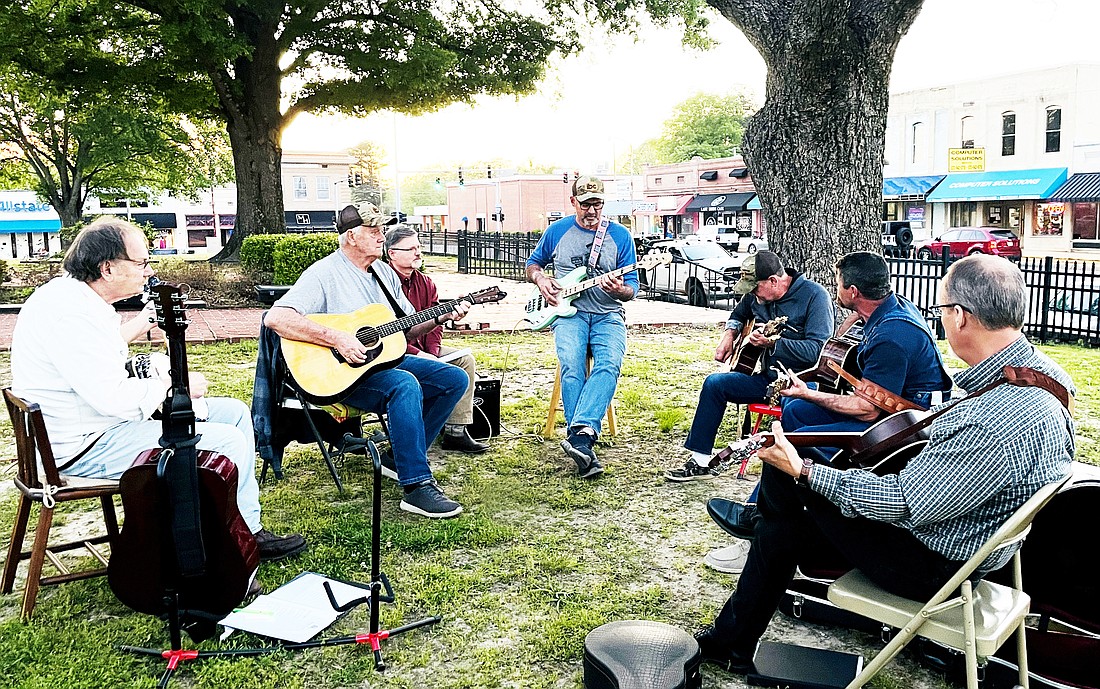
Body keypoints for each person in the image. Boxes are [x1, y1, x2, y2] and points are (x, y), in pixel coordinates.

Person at [694, 254, 1075, 674]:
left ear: (962, 317)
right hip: (974, 543)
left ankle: (733, 622)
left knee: (788, 494)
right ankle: (735, 624)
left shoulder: (998, 417)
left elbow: (902, 502)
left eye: (943, 310)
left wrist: (805, 471)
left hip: (933, 563)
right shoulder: (1044, 376)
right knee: (783, 521)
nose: (942, 321)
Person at [10, 217, 306, 563]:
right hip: (84, 444)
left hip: (89, 426)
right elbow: (112, 399)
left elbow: (101, 352)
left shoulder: (77, 298)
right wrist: (173, 385)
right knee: (227, 441)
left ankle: (245, 529)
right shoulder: (70, 315)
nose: (148, 271)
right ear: (107, 268)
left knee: (234, 413)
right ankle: (226, 548)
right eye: (141, 262)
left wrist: (148, 323)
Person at [702, 251, 954, 574]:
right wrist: (847, 329)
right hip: (886, 411)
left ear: (853, 292)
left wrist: (810, 391)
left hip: (902, 429)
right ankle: (767, 510)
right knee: (794, 409)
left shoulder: (892, 336)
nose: (835, 288)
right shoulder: (887, 309)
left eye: (839, 284)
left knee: (793, 439)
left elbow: (866, 411)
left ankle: (759, 523)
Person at [264, 202, 471, 519]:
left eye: (382, 229)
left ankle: (396, 459)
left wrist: (441, 316)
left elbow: (408, 326)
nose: (381, 236)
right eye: (373, 231)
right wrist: (338, 338)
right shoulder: (324, 273)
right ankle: (416, 486)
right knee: (404, 384)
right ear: (350, 236)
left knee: (453, 379)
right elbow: (276, 318)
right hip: (335, 374)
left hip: (377, 365)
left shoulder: (384, 273)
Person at [664, 251, 834, 482]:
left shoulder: (815, 296)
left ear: (774, 281)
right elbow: (738, 313)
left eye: (755, 288)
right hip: (767, 380)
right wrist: (729, 334)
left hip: (801, 383)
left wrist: (772, 344)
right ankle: (701, 460)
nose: (752, 294)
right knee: (715, 384)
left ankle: (800, 471)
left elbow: (816, 350)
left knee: (796, 408)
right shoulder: (758, 297)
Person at [525, 175, 639, 478]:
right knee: (572, 364)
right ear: (573, 201)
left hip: (608, 314)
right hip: (568, 314)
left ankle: (580, 436)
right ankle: (584, 438)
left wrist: (619, 291)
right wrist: (542, 279)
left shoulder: (620, 236)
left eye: (597, 204)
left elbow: (632, 288)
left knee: (609, 363)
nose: (592, 210)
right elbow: (533, 264)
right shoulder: (557, 231)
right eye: (586, 204)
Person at [384, 224, 489, 454]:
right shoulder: (382, 284)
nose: (418, 252)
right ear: (392, 253)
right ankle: (414, 436)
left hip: (424, 348)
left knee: (465, 360)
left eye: (419, 246)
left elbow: (435, 323)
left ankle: (455, 432)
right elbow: (388, 333)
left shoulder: (426, 282)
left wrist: (432, 351)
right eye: (411, 248)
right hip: (394, 353)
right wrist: (419, 355)